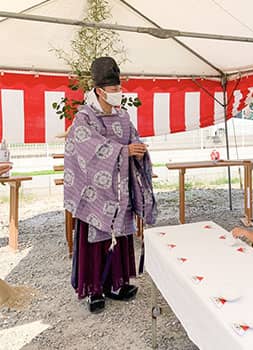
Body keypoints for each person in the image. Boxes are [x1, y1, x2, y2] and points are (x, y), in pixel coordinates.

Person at [64, 57, 157, 313]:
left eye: (119, 89)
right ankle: (94, 289)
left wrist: (137, 151)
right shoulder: (84, 118)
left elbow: (133, 139)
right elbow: (84, 147)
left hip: (120, 189)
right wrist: (123, 150)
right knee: (95, 242)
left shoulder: (124, 116)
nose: (118, 94)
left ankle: (116, 283)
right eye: (114, 90)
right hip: (95, 194)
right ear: (99, 91)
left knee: (121, 237)